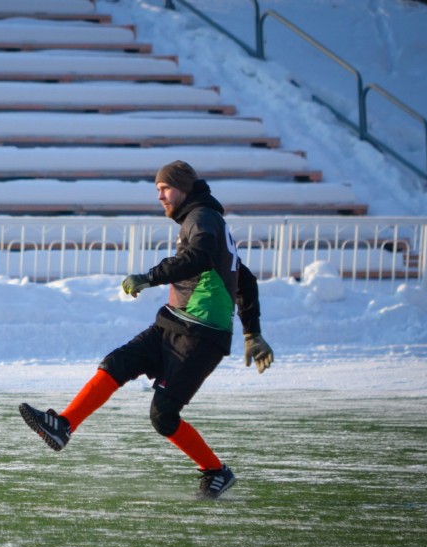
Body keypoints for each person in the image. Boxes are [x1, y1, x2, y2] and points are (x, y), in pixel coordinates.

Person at [19, 160, 274, 499]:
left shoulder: (202, 218)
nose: (160, 196)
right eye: (157, 190)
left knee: (163, 416)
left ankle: (216, 471)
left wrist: (150, 276)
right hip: (175, 321)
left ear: (183, 188)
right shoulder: (205, 219)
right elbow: (246, 279)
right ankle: (64, 426)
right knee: (117, 362)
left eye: (164, 188)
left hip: (201, 335)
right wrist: (251, 333)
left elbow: (198, 257)